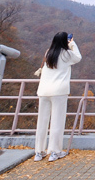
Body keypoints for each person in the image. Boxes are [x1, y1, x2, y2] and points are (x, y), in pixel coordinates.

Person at [35, 32, 82, 162]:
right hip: (59, 91)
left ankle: (39, 152)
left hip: (43, 91)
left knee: (42, 121)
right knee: (57, 122)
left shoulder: (48, 53)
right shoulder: (66, 54)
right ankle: (54, 152)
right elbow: (78, 57)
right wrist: (72, 44)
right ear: (64, 41)